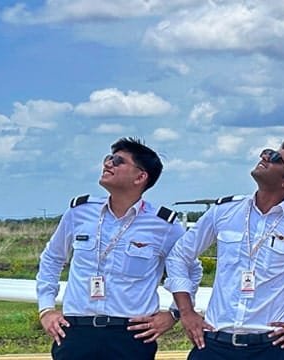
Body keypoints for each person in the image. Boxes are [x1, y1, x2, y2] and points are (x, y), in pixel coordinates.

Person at [165, 140, 284, 360]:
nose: (265, 157)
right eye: (267, 152)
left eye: (276, 158)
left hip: (267, 347)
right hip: (214, 342)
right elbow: (179, 255)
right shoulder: (225, 211)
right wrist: (186, 311)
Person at [36, 137, 201, 360]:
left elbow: (191, 269)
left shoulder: (163, 225)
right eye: (108, 158)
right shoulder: (79, 212)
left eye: (118, 161)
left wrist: (173, 313)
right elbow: (52, 258)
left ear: (141, 177)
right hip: (76, 332)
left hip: (129, 336)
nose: (108, 164)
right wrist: (46, 309)